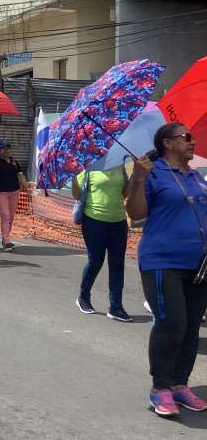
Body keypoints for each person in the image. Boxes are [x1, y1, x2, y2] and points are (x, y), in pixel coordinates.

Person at [125, 123, 207, 417]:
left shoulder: (196, 176)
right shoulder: (152, 173)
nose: (192, 141)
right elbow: (135, 213)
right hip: (163, 260)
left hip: (199, 264)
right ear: (167, 143)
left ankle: (179, 385)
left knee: (190, 328)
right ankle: (160, 388)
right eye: (185, 137)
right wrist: (137, 179)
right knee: (171, 324)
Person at [72, 166, 131, 322]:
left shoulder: (120, 166)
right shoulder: (90, 166)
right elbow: (77, 195)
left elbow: (125, 193)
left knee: (117, 264)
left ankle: (116, 307)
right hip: (93, 221)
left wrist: (136, 175)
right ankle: (83, 297)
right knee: (96, 261)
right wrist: (72, 178)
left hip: (118, 222)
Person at [0, 140, 27, 252]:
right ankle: (6, 241)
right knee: (5, 215)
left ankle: (5, 237)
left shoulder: (14, 161)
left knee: (11, 216)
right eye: (4, 148)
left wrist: (26, 186)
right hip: (1, 192)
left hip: (15, 191)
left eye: (8, 148)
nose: (6, 150)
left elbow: (20, 175)